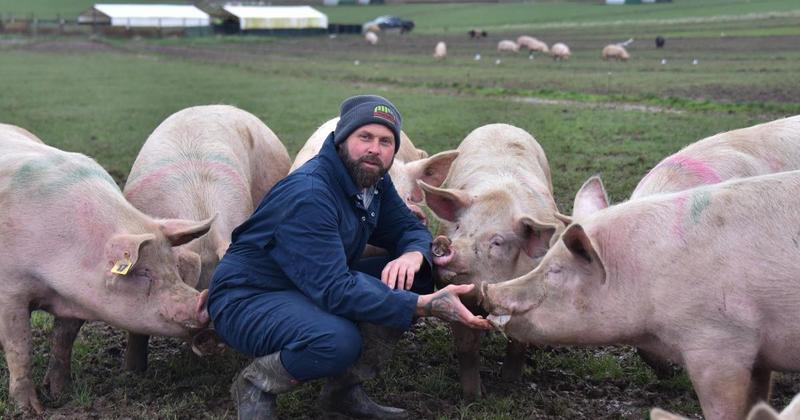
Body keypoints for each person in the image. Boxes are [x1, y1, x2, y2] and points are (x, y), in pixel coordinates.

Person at [207, 94, 491, 419]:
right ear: (342, 139)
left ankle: (343, 393)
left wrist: (412, 254)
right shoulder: (311, 193)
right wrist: (422, 305)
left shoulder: (372, 182)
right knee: (337, 341)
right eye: (365, 137)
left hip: (309, 283)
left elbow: (407, 228)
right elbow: (335, 289)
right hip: (248, 297)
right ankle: (256, 384)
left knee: (418, 275)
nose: (375, 149)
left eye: (386, 141)